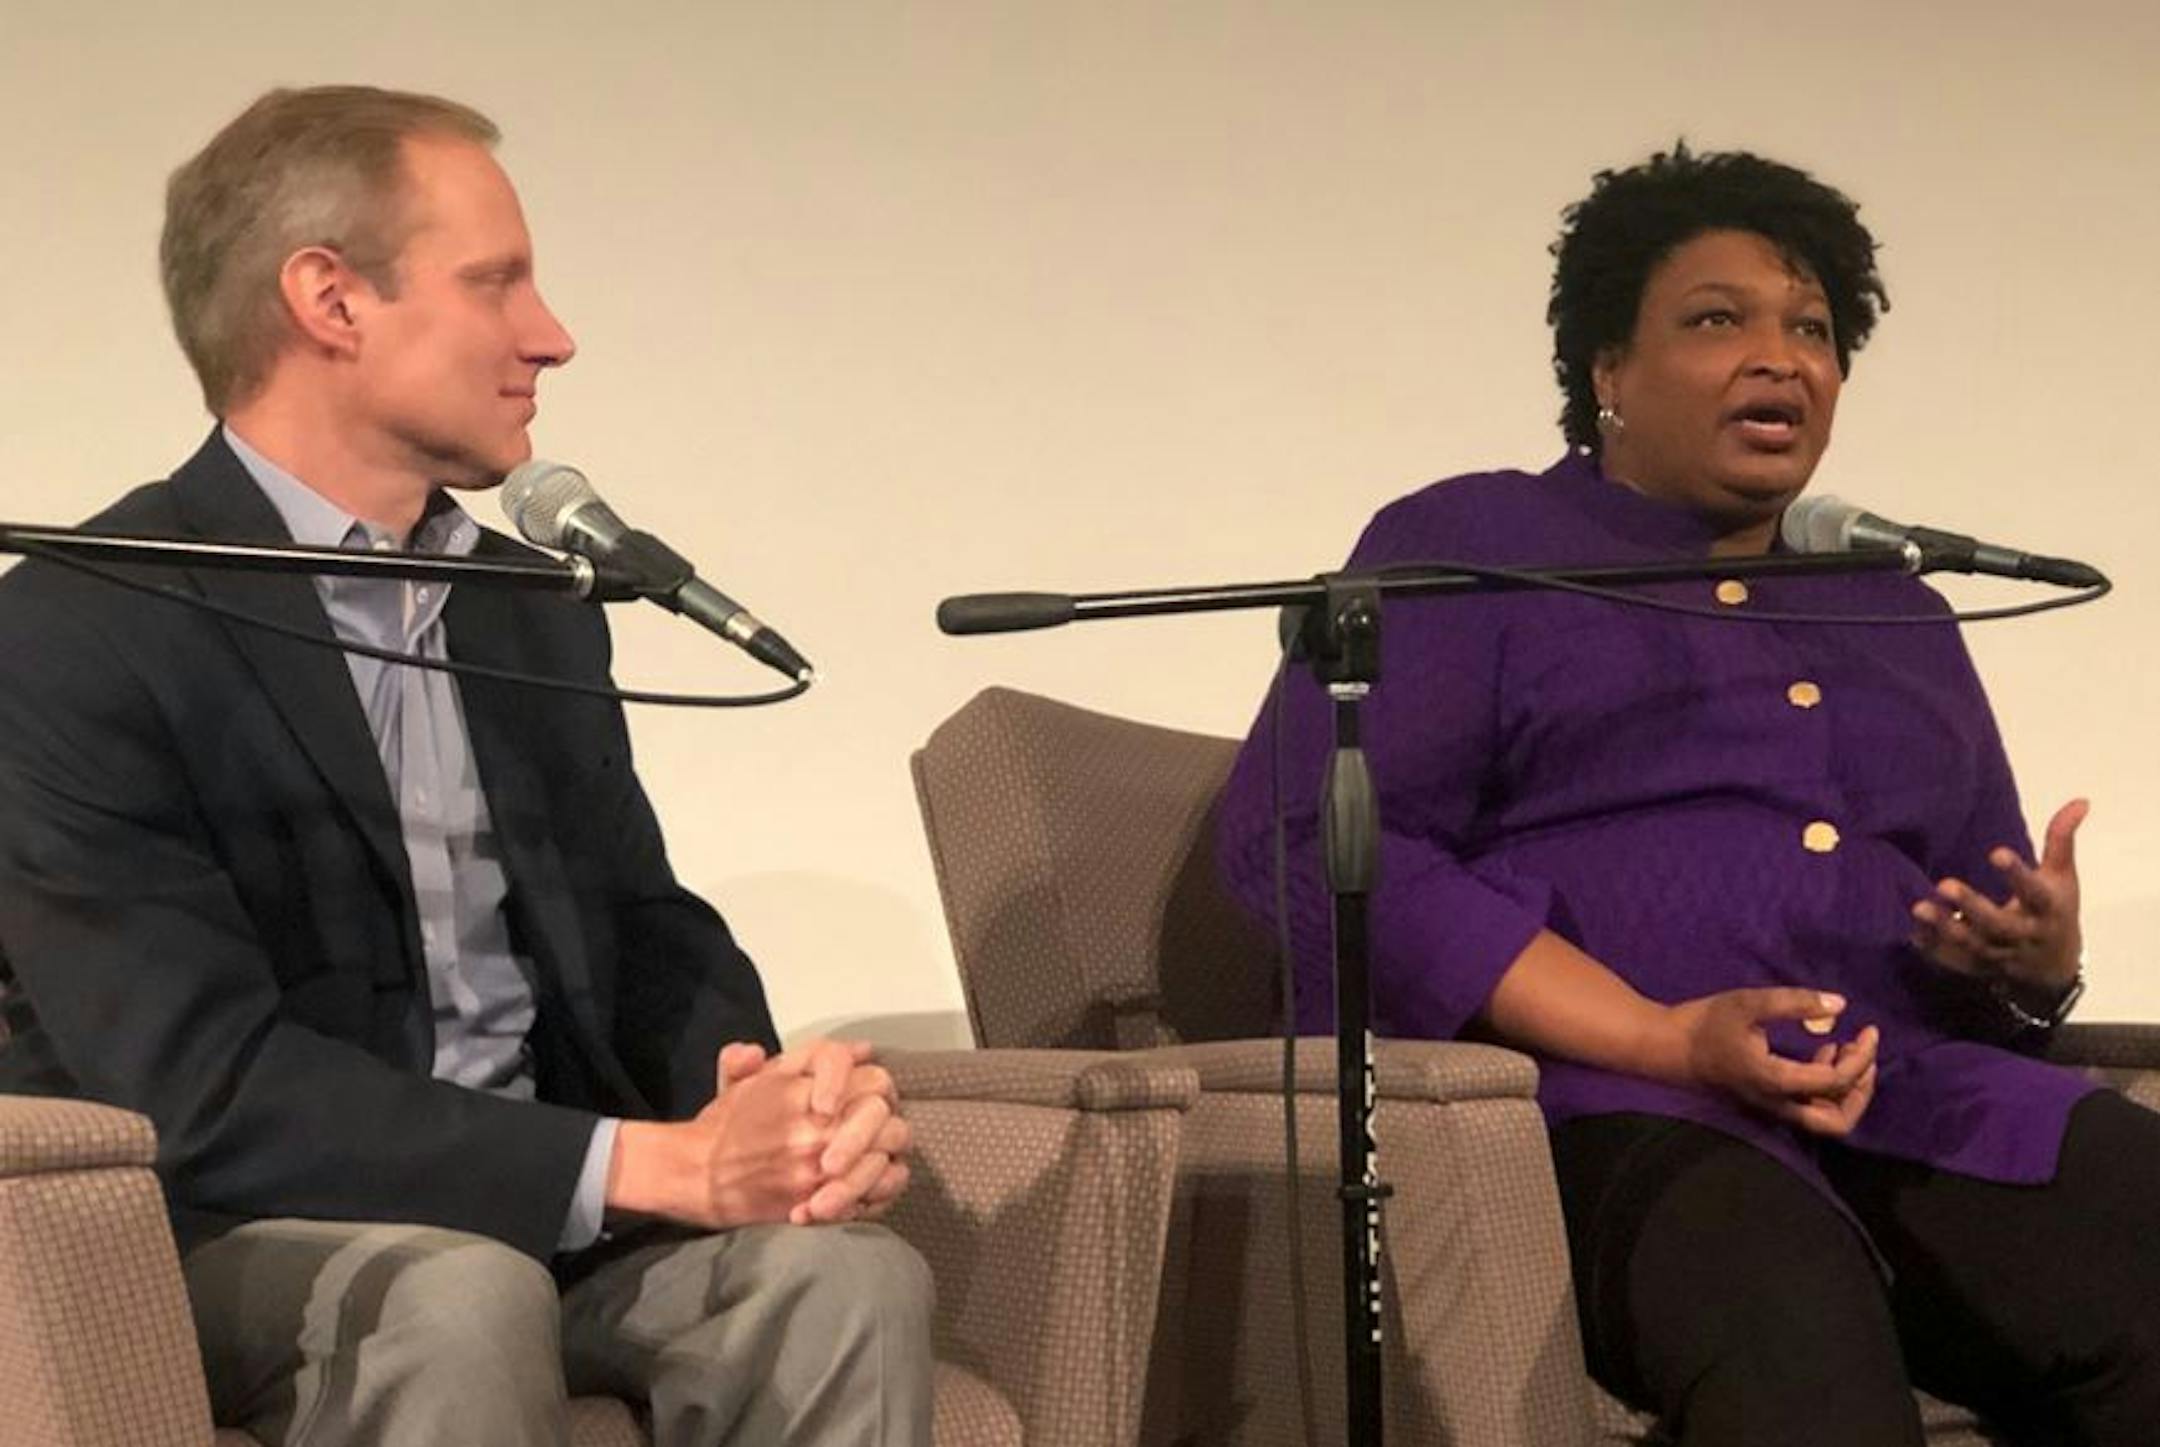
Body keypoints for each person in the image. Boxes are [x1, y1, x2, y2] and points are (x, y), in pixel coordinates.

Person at [0, 86, 931, 1447]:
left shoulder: (523, 605)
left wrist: (765, 1101)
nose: (550, 337)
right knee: (459, 1299)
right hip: (224, 1238)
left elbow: (642, 936)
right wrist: (647, 1164)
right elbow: (193, 1087)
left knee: (843, 1283)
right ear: (330, 300)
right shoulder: (80, 628)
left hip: (543, 1219)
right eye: (496, 284)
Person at [1217, 144, 2160, 1445]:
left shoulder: (1895, 605)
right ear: (1608, 369)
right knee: (1780, 1306)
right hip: (1606, 1111)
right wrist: (1662, 1038)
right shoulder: (1478, 548)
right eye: (1718, 320)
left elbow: (1983, 961)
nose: (1782, 357)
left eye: (1814, 331)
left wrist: (2029, 961)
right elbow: (1300, 839)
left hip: (1903, 1097)